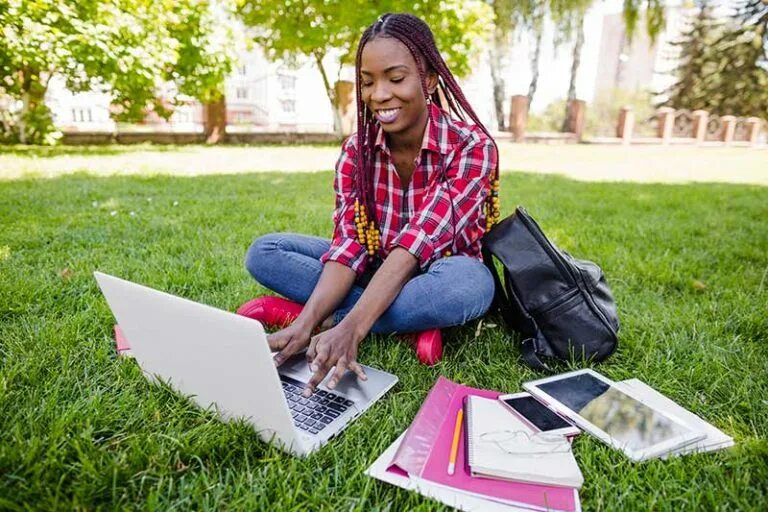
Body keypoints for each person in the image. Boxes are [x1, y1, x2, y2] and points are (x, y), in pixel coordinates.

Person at [239, 13, 501, 397]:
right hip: (372, 265)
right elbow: (350, 242)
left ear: (428, 80)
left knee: (469, 287)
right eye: (367, 82)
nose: (378, 94)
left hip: (440, 273)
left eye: (395, 79)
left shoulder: (472, 147)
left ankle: (340, 318)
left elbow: (420, 240)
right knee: (265, 252)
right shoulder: (355, 151)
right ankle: (395, 324)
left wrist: (352, 327)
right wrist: (308, 321)